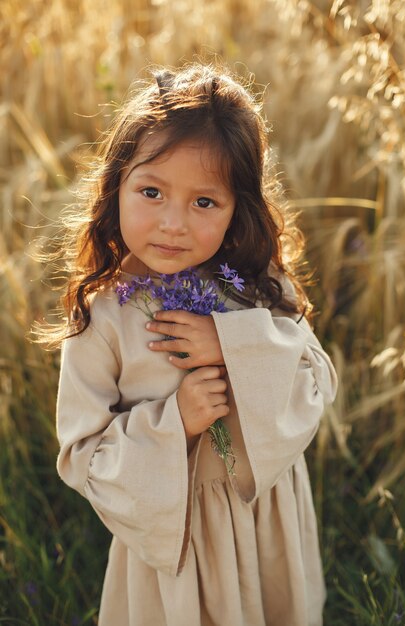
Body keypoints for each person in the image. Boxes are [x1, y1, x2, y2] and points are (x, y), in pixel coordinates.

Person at [49, 62, 338, 626]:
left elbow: (316, 377)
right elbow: (81, 455)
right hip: (173, 541)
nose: (173, 223)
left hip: (263, 522)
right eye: (151, 191)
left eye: (205, 202)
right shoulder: (104, 316)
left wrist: (234, 343)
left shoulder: (257, 283)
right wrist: (174, 421)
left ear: (237, 211)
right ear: (117, 186)